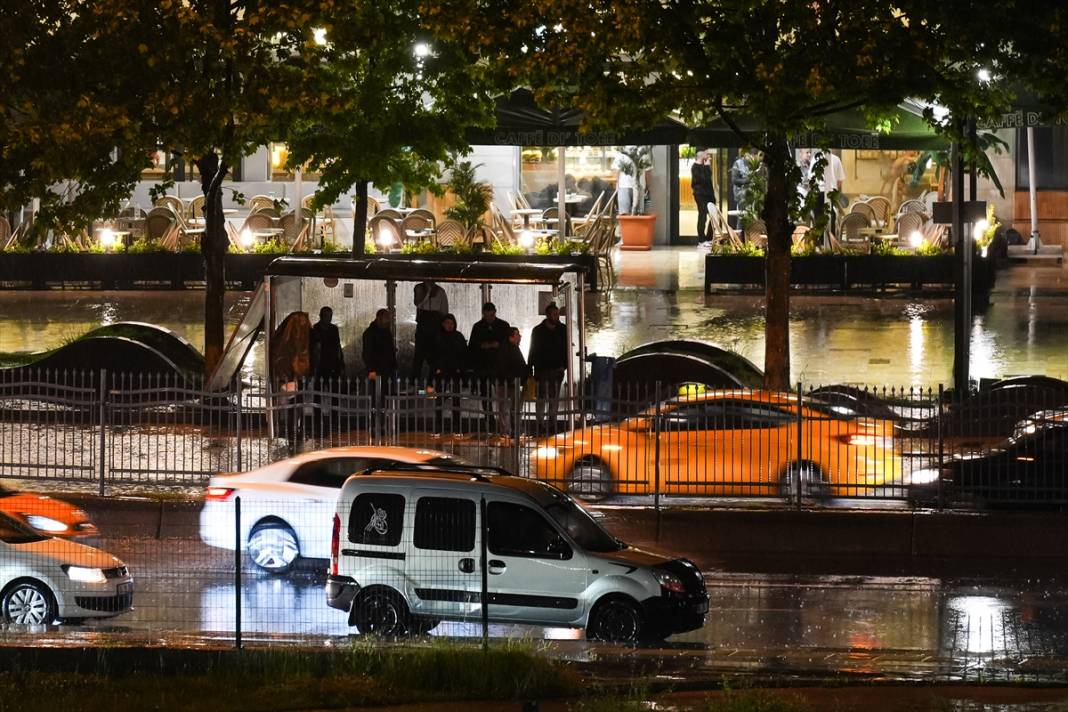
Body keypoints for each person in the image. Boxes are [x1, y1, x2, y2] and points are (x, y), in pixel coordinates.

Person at [468, 302, 511, 434]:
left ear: (494, 312)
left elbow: (507, 345)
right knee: (488, 396)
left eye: (491, 315)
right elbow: (472, 348)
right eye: (487, 316)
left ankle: (499, 423)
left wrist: (486, 346)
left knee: (499, 397)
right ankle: (492, 421)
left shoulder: (481, 327)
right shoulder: (501, 326)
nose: (489, 318)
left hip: (494, 366)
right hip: (486, 366)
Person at [528, 302, 568, 434]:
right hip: (542, 369)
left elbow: (566, 349)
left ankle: (552, 422)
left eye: (558, 314)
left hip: (557, 369)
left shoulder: (563, 329)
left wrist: (564, 366)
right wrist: (531, 368)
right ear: (548, 315)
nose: (557, 317)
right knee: (541, 397)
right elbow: (533, 349)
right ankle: (540, 422)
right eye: (555, 314)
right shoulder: (538, 331)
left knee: (554, 397)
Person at [430, 313, 468, 435]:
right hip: (442, 372)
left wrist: (460, 368)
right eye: (447, 323)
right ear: (442, 324)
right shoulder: (438, 337)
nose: (449, 326)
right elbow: (432, 355)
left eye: (451, 324)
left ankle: (456, 426)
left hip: (454, 372)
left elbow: (464, 354)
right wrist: (437, 368)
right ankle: (438, 426)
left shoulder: (458, 337)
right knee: (440, 399)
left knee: (455, 399)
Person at [494, 327, 529, 439]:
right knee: (506, 409)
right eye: (517, 334)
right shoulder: (506, 349)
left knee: (512, 409)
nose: (520, 336)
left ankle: (512, 430)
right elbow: (502, 366)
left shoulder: (513, 348)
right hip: (507, 383)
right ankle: (506, 432)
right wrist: (512, 378)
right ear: (511, 337)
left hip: (513, 383)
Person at [411, 280, 449, 379]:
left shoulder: (440, 291)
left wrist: (444, 326)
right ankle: (413, 382)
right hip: (423, 325)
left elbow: (444, 310)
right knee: (419, 356)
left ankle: (433, 383)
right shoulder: (419, 288)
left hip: (435, 324)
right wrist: (428, 292)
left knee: (434, 357)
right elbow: (418, 303)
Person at [812, 148, 846, 240]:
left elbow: (811, 179)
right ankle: (831, 242)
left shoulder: (815, 159)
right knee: (831, 218)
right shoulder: (836, 159)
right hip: (831, 193)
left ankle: (820, 243)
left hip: (818, 192)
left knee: (818, 219)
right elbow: (840, 181)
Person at [310, 306, 344, 380]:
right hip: (320, 366)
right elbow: (314, 350)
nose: (328, 318)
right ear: (321, 316)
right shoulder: (315, 329)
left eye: (330, 316)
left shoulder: (334, 329)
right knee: (319, 388)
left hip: (333, 364)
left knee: (334, 387)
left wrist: (341, 363)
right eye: (326, 316)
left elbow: (338, 346)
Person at [730, 147, 759, 230]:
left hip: (754, 196)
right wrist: (748, 180)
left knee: (754, 219)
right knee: (742, 218)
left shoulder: (756, 164)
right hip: (741, 196)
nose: (753, 160)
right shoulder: (738, 164)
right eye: (752, 157)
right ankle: (740, 238)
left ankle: (752, 237)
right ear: (747, 155)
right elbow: (734, 180)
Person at [691, 150, 716, 242]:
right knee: (702, 215)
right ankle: (701, 238)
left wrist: (707, 166)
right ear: (701, 155)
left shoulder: (704, 165)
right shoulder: (695, 167)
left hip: (709, 195)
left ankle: (709, 237)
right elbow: (705, 179)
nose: (708, 155)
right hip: (700, 195)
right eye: (706, 154)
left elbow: (708, 180)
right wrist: (707, 166)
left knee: (714, 215)